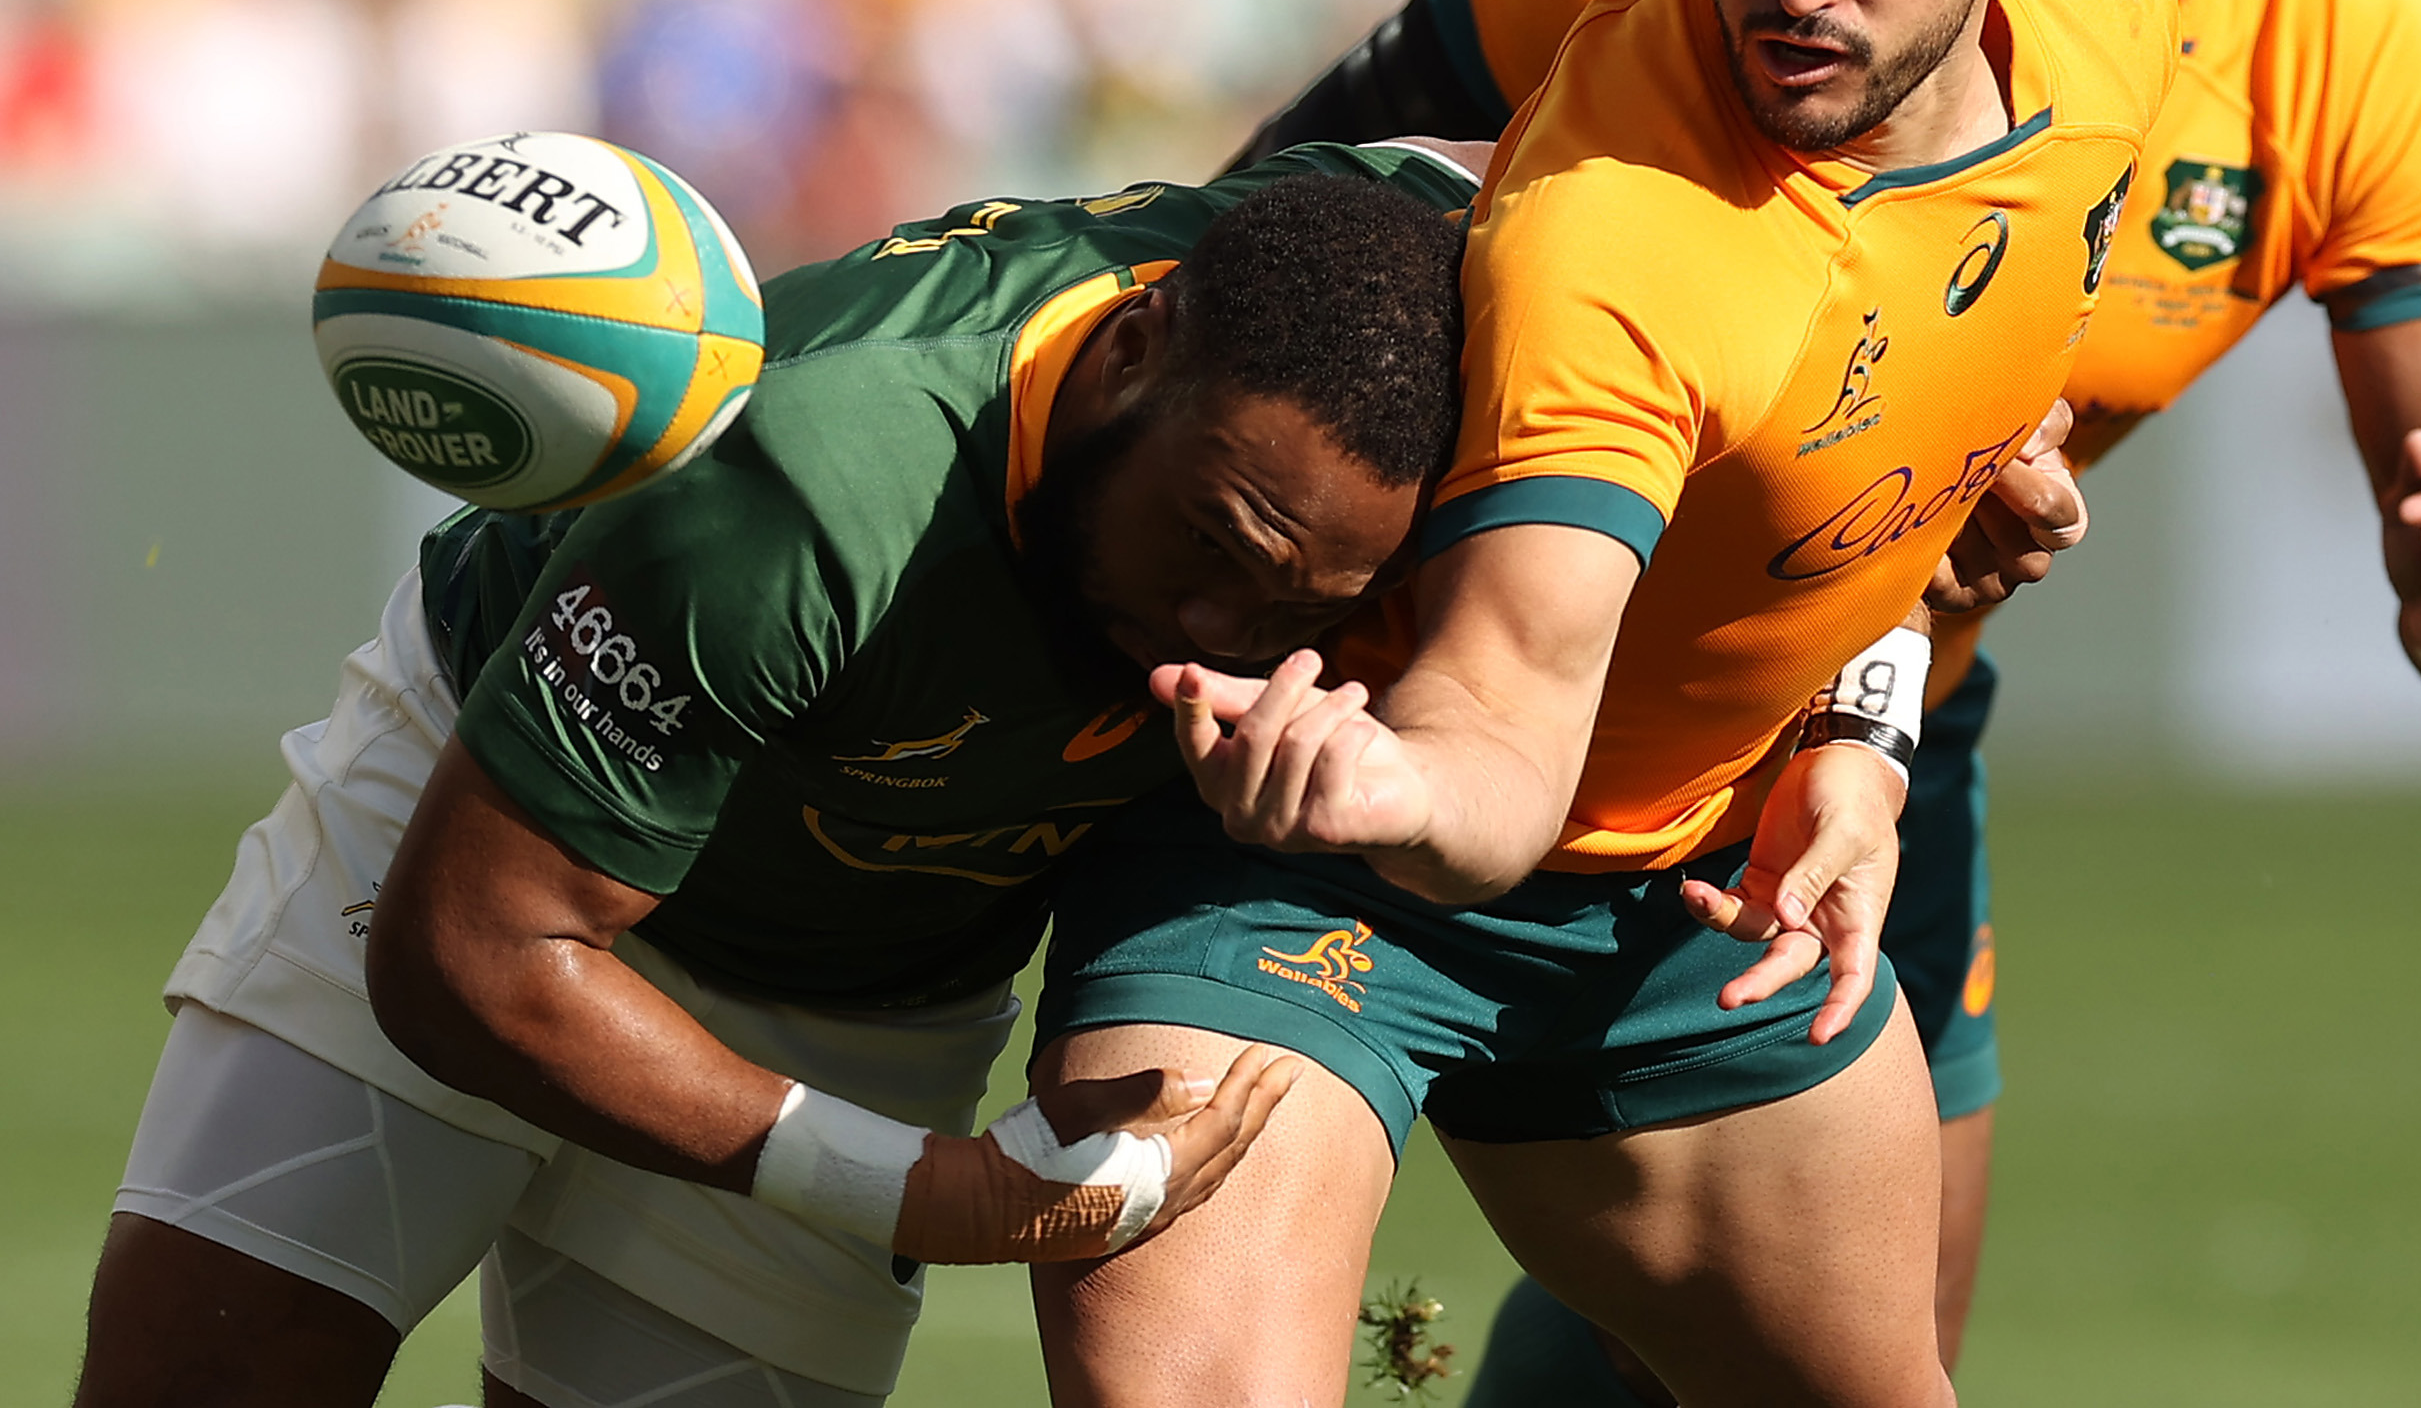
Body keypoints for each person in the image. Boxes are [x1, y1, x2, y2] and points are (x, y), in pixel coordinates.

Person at [1241, 0, 2421, 1400]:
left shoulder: (2358, 67)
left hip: (1879, 693)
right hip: (1505, 659)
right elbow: (1274, 227)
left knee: (1855, 1324)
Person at [1025, 0, 2176, 1407]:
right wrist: (1381, 776)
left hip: (1680, 901)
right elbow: (1496, 716)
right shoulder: (1621, 245)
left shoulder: (2118, 6)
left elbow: (1914, 469)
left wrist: (1858, 747)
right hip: (1330, 841)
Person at [70, 145, 1481, 1408]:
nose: (1223, 641)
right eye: (1213, 544)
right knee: (212, 1377)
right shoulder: (814, 473)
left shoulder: (1454, 259)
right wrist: (937, 1193)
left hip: (871, 978)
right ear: (1128, 347)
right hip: (480, 814)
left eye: (1303, 611)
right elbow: (469, 955)